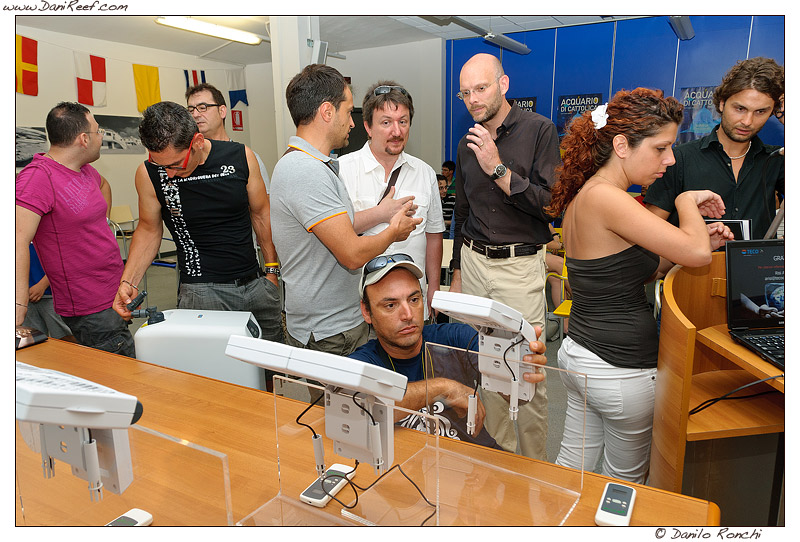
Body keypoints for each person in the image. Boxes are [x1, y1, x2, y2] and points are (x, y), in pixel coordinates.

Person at [547, 87, 734, 483]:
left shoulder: (593, 196)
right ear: (621, 145)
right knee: (625, 484)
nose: (670, 159)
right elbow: (698, 257)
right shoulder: (607, 199)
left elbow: (636, 271)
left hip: (585, 358)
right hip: (618, 370)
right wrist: (685, 202)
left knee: (572, 471)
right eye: (661, 148)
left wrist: (699, 242)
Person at [448, 52, 560, 460]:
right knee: (487, 369)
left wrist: (498, 169)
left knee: (528, 373)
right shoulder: (466, 142)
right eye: (466, 93)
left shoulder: (540, 131)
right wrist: (457, 271)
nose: (474, 99)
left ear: (503, 84)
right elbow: (463, 211)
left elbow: (551, 205)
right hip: (475, 264)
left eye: (481, 88)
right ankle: (498, 461)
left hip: (519, 267)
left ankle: (533, 469)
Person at [270, 64, 421, 356]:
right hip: (330, 331)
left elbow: (340, 226)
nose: (352, 123)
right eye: (347, 111)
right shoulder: (304, 171)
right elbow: (351, 254)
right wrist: (393, 232)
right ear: (328, 112)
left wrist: (381, 213)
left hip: (336, 323)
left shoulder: (312, 165)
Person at [113, 101, 283, 344]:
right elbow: (149, 230)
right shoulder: (148, 173)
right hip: (201, 292)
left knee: (270, 366)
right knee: (216, 372)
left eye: (174, 165)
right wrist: (128, 281)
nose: (168, 174)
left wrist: (271, 271)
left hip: (256, 284)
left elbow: (261, 214)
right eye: (161, 165)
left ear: (198, 142)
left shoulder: (240, 157)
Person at [349, 254, 546, 448]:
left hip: (473, 463)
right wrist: (443, 388)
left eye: (414, 300)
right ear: (366, 312)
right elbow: (360, 411)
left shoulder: (455, 339)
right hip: (410, 469)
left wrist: (521, 369)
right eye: (391, 305)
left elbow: (516, 397)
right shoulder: (362, 362)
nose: (408, 315)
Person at [16, 102, 135, 357]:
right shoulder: (37, 178)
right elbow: (16, 239)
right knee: (118, 377)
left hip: (112, 290)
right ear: (83, 139)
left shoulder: (85, 170)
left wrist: (100, 225)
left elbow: (103, 186)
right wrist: (18, 304)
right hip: (89, 305)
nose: (101, 136)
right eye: (98, 130)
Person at [644, 57, 784, 239]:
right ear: (722, 103)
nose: (748, 121)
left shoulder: (777, 159)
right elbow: (650, 234)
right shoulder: (679, 159)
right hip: (689, 266)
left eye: (760, 112)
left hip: (756, 266)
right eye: (740, 109)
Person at [339, 81, 444, 318]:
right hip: (360, 308)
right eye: (386, 123)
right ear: (368, 126)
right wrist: (381, 214)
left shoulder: (425, 173)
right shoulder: (343, 170)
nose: (396, 132)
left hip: (412, 305)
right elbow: (337, 230)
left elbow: (434, 235)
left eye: (403, 122)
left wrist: (433, 288)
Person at [185, 82, 272, 192]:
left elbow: (263, 206)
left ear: (222, 111)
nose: (195, 115)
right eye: (191, 110)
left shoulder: (246, 157)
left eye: (203, 107)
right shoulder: (185, 161)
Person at [23, 243, 75, 341]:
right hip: (25, 298)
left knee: (65, 336)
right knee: (32, 339)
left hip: (52, 295)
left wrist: (42, 285)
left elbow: (63, 259)